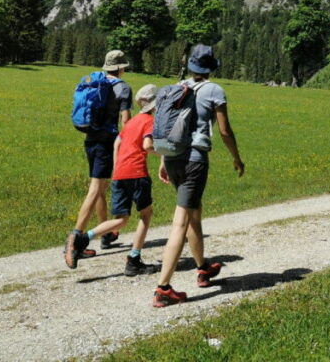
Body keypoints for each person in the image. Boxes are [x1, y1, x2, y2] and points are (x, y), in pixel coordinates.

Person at [153, 44, 245, 308]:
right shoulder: (214, 90)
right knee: (181, 221)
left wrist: (163, 160)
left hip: (172, 157)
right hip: (195, 160)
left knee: (194, 212)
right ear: (211, 67)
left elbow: (168, 125)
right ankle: (163, 288)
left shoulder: (176, 87)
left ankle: (203, 268)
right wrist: (236, 158)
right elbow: (225, 131)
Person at [65, 84, 159, 276]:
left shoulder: (130, 123)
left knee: (122, 219)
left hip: (120, 174)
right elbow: (147, 144)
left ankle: (83, 238)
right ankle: (134, 259)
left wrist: (117, 168)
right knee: (146, 215)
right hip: (137, 173)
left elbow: (117, 143)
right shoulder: (149, 121)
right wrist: (165, 152)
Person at [65, 50, 132, 268]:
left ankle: (105, 233)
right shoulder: (123, 88)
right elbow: (126, 122)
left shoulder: (94, 82)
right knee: (95, 187)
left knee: (101, 187)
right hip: (107, 143)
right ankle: (75, 237)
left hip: (90, 139)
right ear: (121, 68)